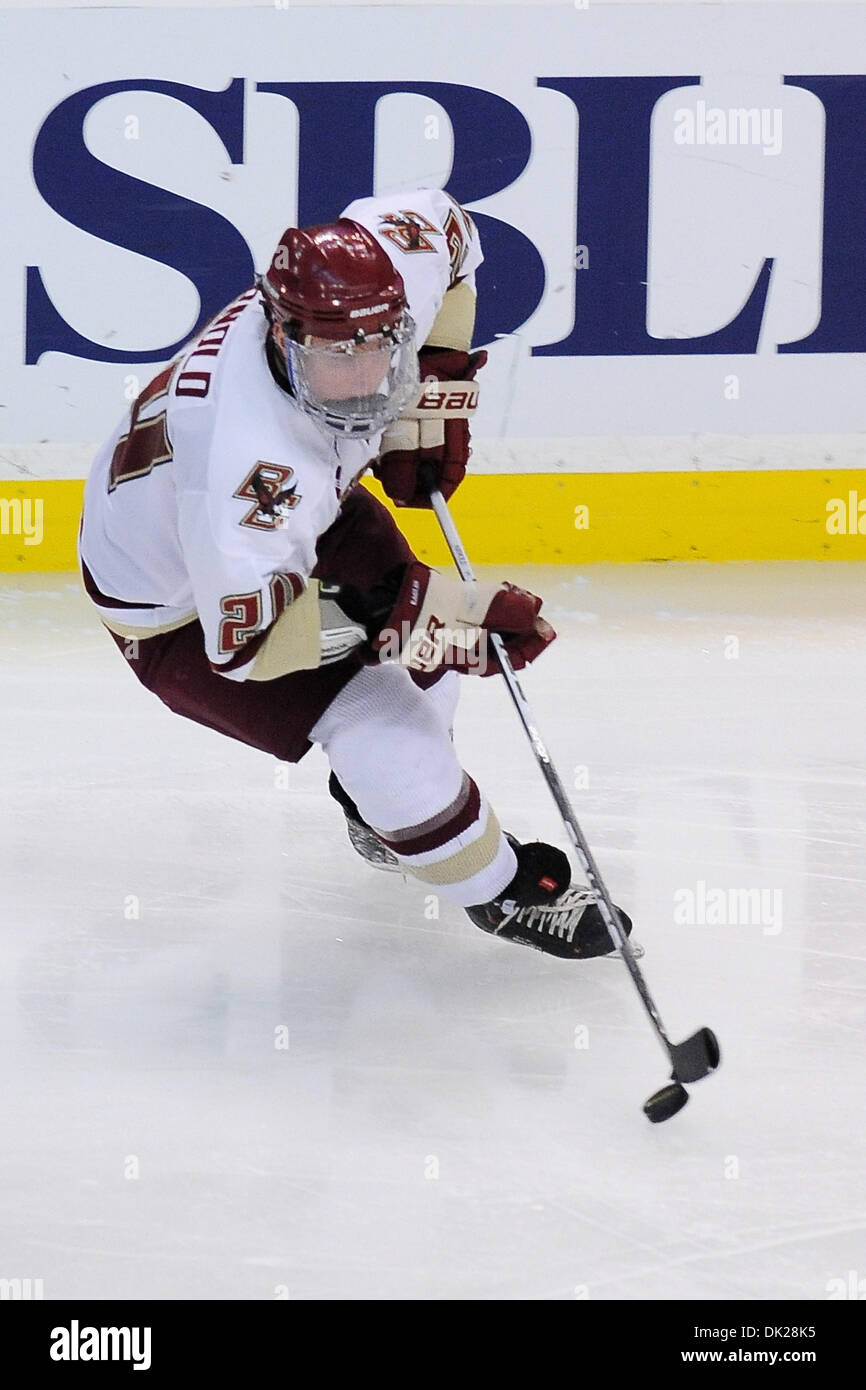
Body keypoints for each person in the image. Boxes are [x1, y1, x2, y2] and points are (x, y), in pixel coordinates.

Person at [78, 188, 632, 959]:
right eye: (338, 355)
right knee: (389, 735)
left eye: (385, 344)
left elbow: (452, 233)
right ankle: (501, 894)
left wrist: (433, 384)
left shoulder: (383, 269)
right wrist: (420, 613)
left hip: (288, 531)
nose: (369, 372)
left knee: (429, 682)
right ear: (282, 331)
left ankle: (380, 815)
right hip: (183, 615)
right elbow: (249, 647)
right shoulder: (249, 466)